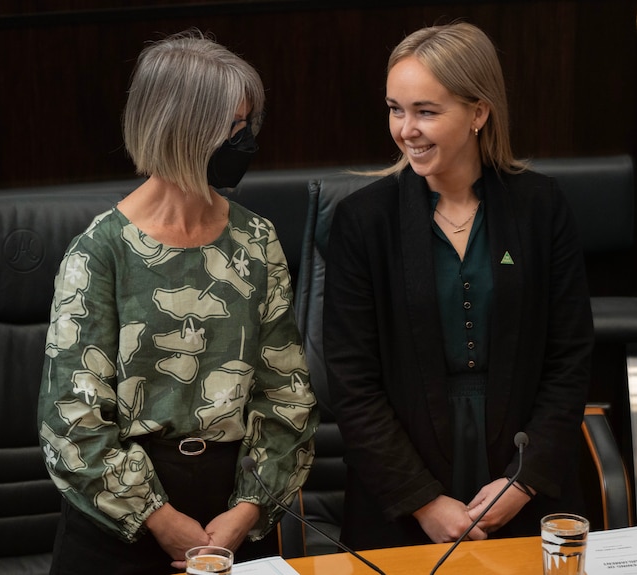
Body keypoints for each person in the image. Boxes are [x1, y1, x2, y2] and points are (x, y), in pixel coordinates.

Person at [37, 29, 319, 575]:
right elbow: (70, 420)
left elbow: (287, 396)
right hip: (118, 522)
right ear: (183, 132)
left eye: (247, 125)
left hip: (235, 515)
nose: (246, 142)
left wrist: (246, 511)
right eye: (232, 130)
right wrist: (160, 519)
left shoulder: (256, 240)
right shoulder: (100, 251)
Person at [322, 21, 594, 551]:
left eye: (426, 111)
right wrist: (423, 500)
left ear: (478, 112)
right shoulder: (363, 221)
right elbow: (352, 381)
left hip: (524, 476)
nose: (406, 129)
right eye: (395, 109)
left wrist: (524, 480)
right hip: (403, 486)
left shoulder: (541, 208)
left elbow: (570, 359)